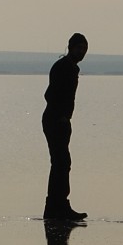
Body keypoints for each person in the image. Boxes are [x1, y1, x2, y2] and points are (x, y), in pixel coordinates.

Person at [42, 32, 87, 222]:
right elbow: (50, 94)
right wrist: (61, 116)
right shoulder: (62, 67)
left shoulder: (71, 68)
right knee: (61, 162)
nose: (82, 52)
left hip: (62, 121)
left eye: (84, 49)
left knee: (62, 163)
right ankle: (56, 206)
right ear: (70, 47)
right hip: (54, 120)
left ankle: (58, 205)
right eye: (79, 48)